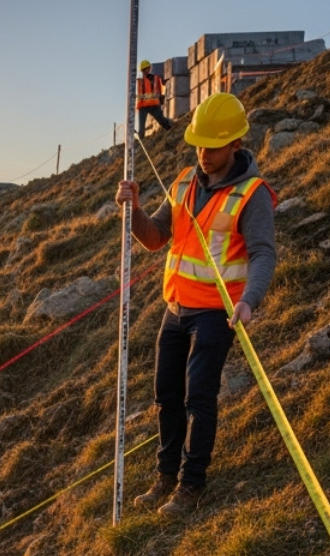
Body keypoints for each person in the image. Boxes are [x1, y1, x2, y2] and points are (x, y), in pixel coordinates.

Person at [115, 91, 277, 515]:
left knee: (197, 399)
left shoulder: (253, 194)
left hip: (216, 315)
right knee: (166, 396)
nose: (203, 154)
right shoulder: (184, 181)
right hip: (175, 310)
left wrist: (248, 301)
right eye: (199, 145)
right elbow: (154, 239)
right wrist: (133, 210)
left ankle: (191, 485)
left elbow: (263, 253)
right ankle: (165, 476)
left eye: (213, 146)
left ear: (236, 145)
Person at [137, 60, 174, 136]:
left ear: (149, 68)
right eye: (143, 70)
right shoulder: (140, 81)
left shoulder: (155, 78)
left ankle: (171, 129)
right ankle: (140, 142)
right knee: (141, 128)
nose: (145, 71)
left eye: (146, 69)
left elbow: (158, 91)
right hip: (143, 106)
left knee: (162, 120)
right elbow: (139, 94)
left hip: (153, 105)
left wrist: (160, 100)